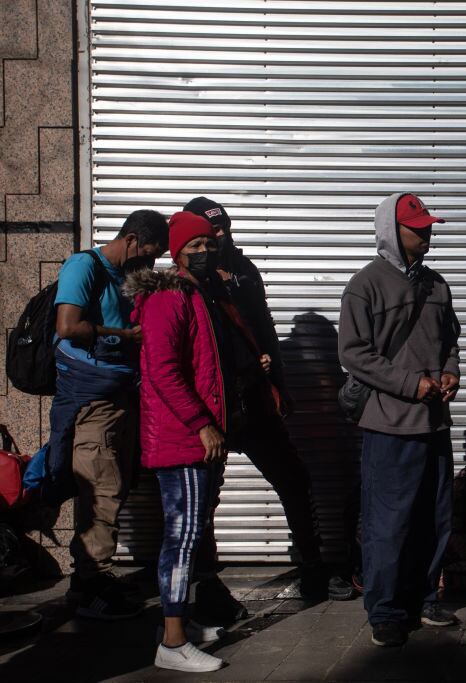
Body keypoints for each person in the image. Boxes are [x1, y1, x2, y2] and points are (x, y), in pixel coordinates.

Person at [182, 197, 357, 622]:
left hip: (254, 398)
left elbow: (263, 327)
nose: (219, 238)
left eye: (222, 230)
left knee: (293, 478)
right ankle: (205, 583)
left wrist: (278, 383)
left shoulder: (243, 271)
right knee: (204, 497)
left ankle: (312, 565)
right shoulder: (185, 282)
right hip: (213, 405)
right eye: (209, 234)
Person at [338, 193, 462, 647]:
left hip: (435, 423)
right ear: (392, 230)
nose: (426, 233)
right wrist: (412, 384)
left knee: (435, 517)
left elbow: (450, 339)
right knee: (388, 523)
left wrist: (451, 371)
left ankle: (425, 598)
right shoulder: (365, 285)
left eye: (429, 226)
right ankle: (386, 611)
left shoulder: (436, 284)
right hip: (389, 424)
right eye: (417, 227)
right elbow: (354, 354)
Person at [124, 212, 236, 672]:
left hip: (193, 437)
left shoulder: (195, 293)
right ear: (177, 252)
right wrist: (201, 423)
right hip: (182, 437)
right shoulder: (169, 296)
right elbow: (162, 370)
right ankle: (172, 643)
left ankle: (179, 624)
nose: (206, 252)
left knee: (189, 534)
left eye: (210, 244)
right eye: (196, 246)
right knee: (182, 537)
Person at [52, 209, 168, 619]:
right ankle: (89, 586)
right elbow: (67, 327)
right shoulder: (84, 266)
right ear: (132, 240)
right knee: (102, 485)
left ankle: (95, 578)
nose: (150, 262)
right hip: (94, 398)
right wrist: (122, 336)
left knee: (115, 484)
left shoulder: (125, 275)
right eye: (149, 252)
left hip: (120, 393)